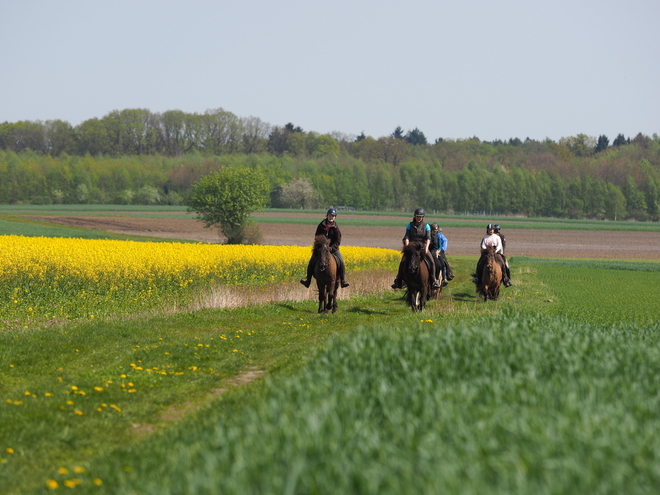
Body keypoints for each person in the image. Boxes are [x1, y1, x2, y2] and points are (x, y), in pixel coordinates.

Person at [391, 208, 442, 290]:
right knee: (403, 261)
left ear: (423, 217)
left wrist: (426, 247)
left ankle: (433, 280)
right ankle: (399, 280)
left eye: (421, 217)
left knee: (432, 262)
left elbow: (428, 238)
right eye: (418, 216)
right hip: (412, 247)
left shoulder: (427, 226)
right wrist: (407, 245)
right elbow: (407, 236)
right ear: (415, 216)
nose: (419, 218)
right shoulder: (410, 225)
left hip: (422, 247)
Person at [300, 208, 349, 289]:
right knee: (312, 261)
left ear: (335, 217)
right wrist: (320, 248)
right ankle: (307, 280)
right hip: (321, 250)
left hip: (332, 250)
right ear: (327, 216)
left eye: (333, 216)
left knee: (341, 261)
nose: (331, 217)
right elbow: (317, 237)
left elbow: (337, 242)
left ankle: (343, 280)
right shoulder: (321, 226)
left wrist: (331, 248)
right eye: (330, 215)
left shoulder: (336, 229)